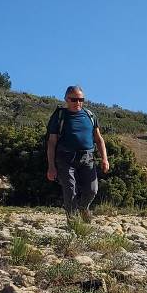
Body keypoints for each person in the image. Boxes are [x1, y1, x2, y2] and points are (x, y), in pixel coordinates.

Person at [46, 86, 109, 221]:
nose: (78, 103)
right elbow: (52, 142)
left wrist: (105, 158)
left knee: (92, 190)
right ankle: (73, 222)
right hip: (65, 158)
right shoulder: (59, 116)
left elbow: (98, 139)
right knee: (70, 191)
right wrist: (51, 166)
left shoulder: (90, 115)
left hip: (88, 158)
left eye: (81, 99)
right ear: (66, 99)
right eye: (74, 99)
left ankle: (83, 208)